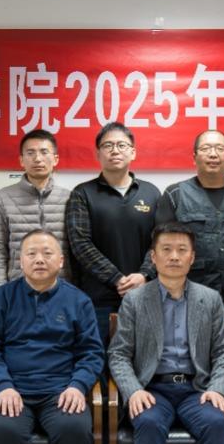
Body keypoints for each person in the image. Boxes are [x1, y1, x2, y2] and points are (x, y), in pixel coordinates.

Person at [108, 222, 224, 444]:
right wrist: (133, 391)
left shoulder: (210, 299)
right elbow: (119, 354)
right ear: (153, 257)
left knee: (216, 423)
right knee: (148, 423)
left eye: (181, 250)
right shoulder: (135, 300)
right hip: (152, 389)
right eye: (166, 249)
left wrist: (217, 389)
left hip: (196, 390)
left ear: (192, 257)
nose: (174, 256)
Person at [0, 229, 102, 444]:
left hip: (60, 390)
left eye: (47, 253)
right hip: (12, 388)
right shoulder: (1, 298)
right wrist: (3, 386)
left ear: (61, 260)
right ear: (20, 261)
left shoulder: (79, 301)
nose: (39, 259)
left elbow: (91, 352)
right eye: (31, 254)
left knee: (75, 431)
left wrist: (77, 386)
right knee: (3, 433)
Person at [66, 122, 161, 346]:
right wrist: (117, 279)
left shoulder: (151, 192)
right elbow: (80, 244)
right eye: (107, 145)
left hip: (145, 294)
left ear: (133, 152)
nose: (115, 150)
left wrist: (144, 275)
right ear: (98, 154)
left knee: (144, 358)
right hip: (97, 299)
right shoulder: (82, 193)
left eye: (121, 145)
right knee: (97, 357)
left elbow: (160, 242)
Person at [154, 130, 224, 306]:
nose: (213, 154)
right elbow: (162, 247)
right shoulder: (175, 194)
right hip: (189, 294)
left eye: (220, 148)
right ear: (194, 157)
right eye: (206, 148)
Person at [0, 129, 73, 292]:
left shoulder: (70, 198)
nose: (38, 158)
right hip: (17, 288)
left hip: (61, 289)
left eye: (44, 152)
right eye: (30, 153)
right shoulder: (3, 198)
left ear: (55, 159)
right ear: (21, 160)